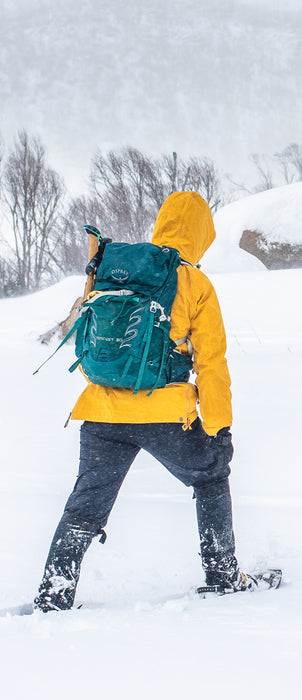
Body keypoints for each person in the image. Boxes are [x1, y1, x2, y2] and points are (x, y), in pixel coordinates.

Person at [35, 191, 249, 612]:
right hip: (165, 415)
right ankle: (223, 575)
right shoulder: (193, 281)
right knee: (210, 477)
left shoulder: (115, 270)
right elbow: (211, 364)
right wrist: (218, 426)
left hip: (100, 411)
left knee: (85, 505)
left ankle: (54, 596)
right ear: (202, 235)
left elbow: (89, 341)